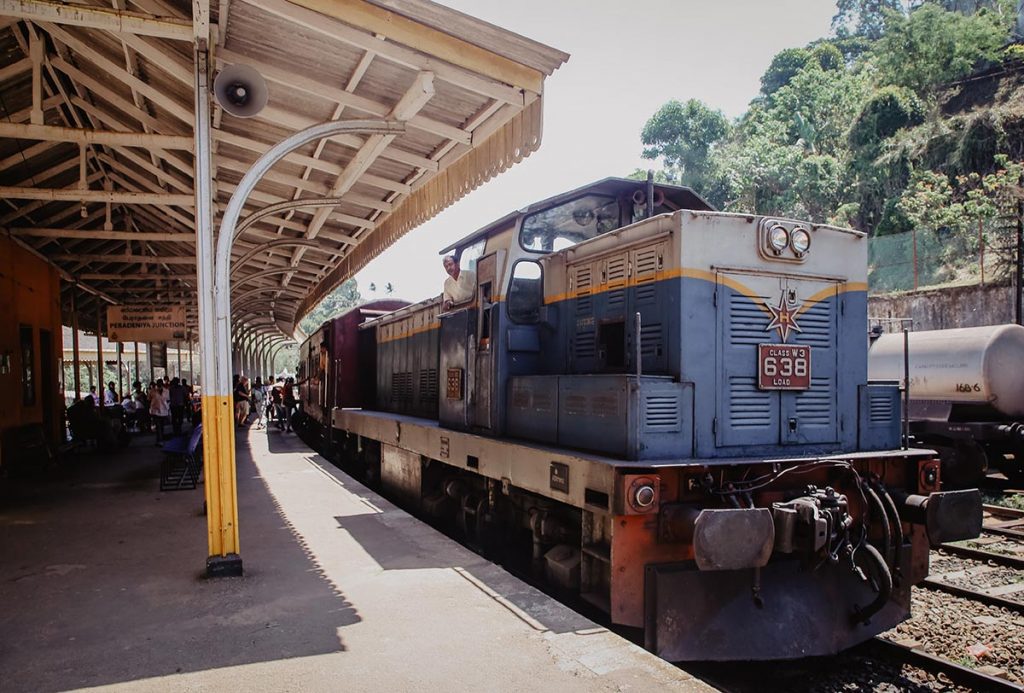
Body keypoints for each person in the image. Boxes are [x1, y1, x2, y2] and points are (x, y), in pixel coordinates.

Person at [149, 379, 170, 445]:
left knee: (162, 426)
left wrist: (168, 408)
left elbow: (168, 400)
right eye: (158, 383)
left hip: (164, 411)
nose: (159, 384)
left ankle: (160, 439)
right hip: (155, 411)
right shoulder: (152, 391)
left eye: (160, 383)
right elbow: (149, 399)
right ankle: (160, 440)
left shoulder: (166, 391)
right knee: (158, 426)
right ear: (156, 384)